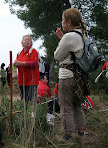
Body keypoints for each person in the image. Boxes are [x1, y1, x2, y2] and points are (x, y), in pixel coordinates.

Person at [54, 8, 87, 141]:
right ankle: (81, 131)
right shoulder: (81, 35)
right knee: (76, 104)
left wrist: (62, 39)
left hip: (67, 75)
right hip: (79, 76)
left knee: (65, 105)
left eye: (63, 20)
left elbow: (57, 55)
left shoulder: (69, 36)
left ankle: (67, 135)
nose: (62, 23)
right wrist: (62, 38)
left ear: (68, 21)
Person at [14, 35, 39, 108]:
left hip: (31, 80)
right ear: (22, 42)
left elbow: (34, 63)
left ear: (31, 42)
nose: (27, 41)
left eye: (29, 40)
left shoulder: (33, 51)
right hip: (22, 80)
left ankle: (32, 115)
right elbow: (18, 64)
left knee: (31, 99)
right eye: (25, 40)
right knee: (23, 99)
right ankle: (25, 114)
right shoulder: (19, 53)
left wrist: (21, 63)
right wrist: (16, 65)